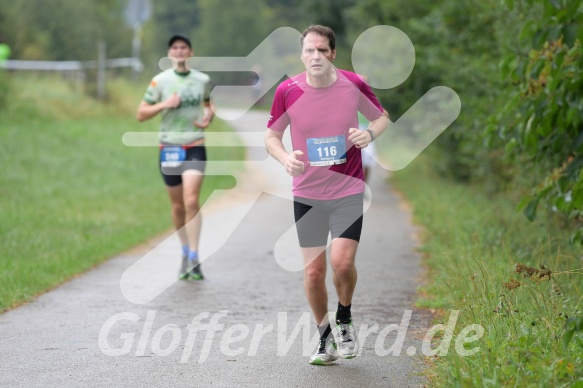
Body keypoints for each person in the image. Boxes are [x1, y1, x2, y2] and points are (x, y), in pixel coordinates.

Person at [264, 25, 389, 365]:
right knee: (314, 273)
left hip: (348, 188)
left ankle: (344, 318)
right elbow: (272, 136)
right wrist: (285, 157)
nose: (315, 56)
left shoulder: (353, 84)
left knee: (343, 263)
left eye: (322, 50)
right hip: (307, 194)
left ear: (333, 53)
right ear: (301, 55)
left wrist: (368, 135)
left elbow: (381, 118)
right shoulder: (288, 91)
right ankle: (325, 338)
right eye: (309, 51)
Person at [136, 34, 214, 281]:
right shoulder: (159, 82)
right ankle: (183, 251)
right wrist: (164, 104)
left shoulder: (202, 80)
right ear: (169, 53)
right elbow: (141, 114)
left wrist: (208, 116)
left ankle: (194, 255)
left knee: (191, 200)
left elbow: (208, 104)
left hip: (194, 144)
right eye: (175, 48)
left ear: (190, 52)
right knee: (178, 205)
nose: (179, 51)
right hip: (169, 147)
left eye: (184, 47)